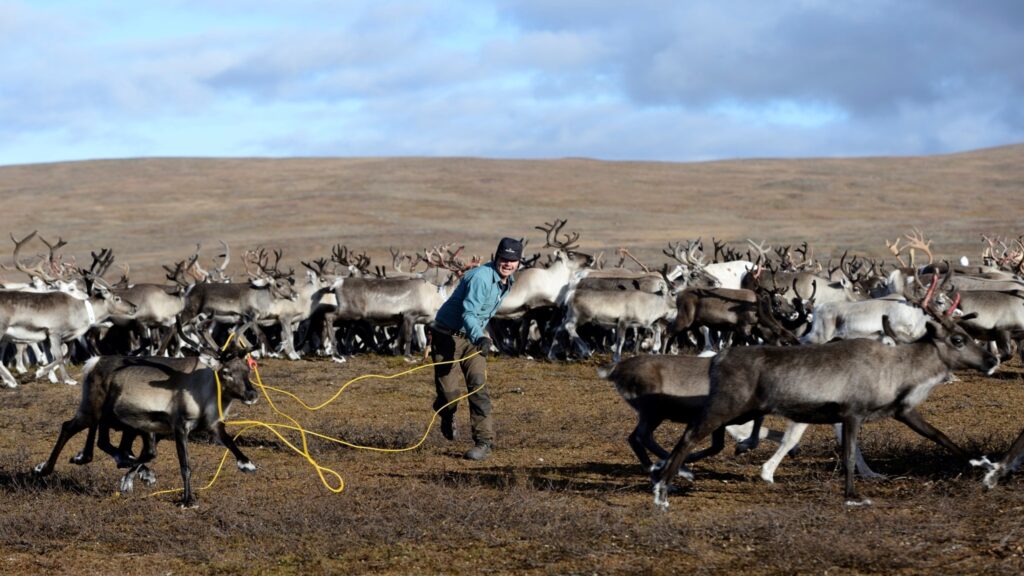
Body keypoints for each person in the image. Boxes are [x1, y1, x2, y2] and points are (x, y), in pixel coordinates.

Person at [429, 237, 522, 460]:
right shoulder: (481, 278)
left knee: (478, 388)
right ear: (496, 257)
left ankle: (483, 443)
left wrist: (481, 336)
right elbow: (469, 313)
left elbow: (482, 314)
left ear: (519, 262)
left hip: (473, 339)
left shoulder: (507, 280)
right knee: (449, 395)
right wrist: (480, 336)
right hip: (447, 337)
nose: (508, 264)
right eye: (504, 258)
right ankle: (446, 411)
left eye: (512, 260)